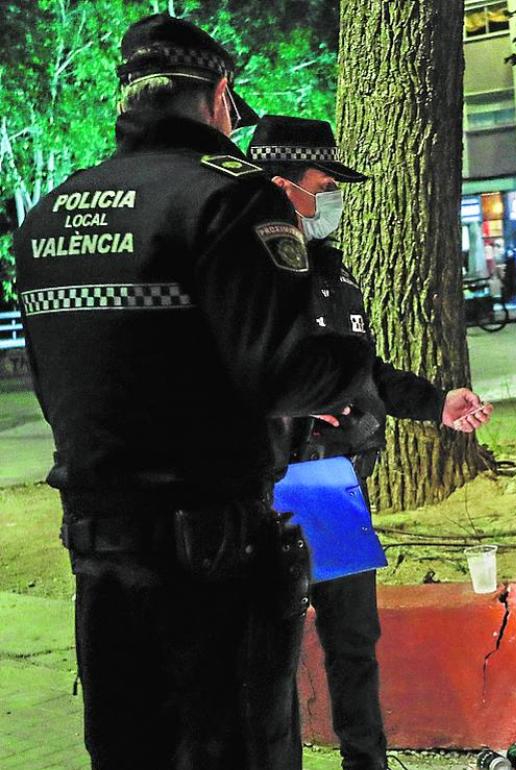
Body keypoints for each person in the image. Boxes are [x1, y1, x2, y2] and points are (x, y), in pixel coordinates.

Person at [12, 15, 379, 770]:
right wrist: (351, 362)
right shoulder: (229, 199)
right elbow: (281, 372)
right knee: (239, 745)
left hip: (101, 560)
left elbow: (60, 391)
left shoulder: (49, 215)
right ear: (218, 96)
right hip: (216, 561)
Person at [248, 115, 494, 770]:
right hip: (269, 487)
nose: (332, 197)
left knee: (353, 642)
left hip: (331, 487)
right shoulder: (243, 270)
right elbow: (234, 375)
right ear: (283, 184)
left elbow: (361, 372)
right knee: (269, 652)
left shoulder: (329, 266)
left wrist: (437, 403)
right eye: (323, 184)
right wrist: (299, 412)